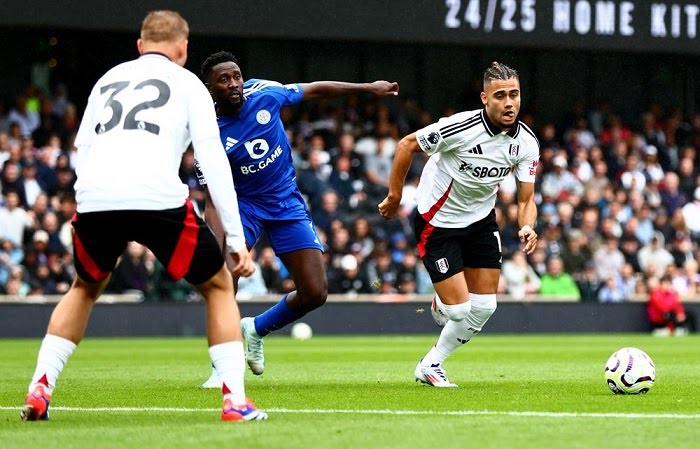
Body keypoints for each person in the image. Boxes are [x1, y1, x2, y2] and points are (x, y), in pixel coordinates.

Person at [20, 11, 266, 422]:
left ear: (140, 45)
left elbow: (83, 149)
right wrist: (237, 243)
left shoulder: (107, 80)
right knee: (220, 287)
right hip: (156, 196)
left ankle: (40, 387)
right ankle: (235, 401)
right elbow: (213, 162)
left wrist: (89, 202)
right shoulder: (189, 83)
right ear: (183, 49)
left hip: (97, 197)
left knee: (83, 288)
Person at [198, 51, 399, 387]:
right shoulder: (206, 132)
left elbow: (316, 89)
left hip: (286, 202)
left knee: (315, 292)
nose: (234, 84)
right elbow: (214, 201)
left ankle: (255, 328)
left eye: (236, 76)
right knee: (225, 280)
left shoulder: (265, 94)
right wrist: (228, 243)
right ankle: (222, 366)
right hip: (243, 205)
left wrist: (368, 88)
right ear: (210, 88)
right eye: (224, 80)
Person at [378, 61, 539, 387]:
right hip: (437, 222)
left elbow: (525, 200)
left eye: (515, 95)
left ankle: (431, 364)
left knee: (485, 307)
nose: (509, 103)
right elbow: (407, 144)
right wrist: (395, 196)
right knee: (458, 311)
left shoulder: (526, 143)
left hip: (480, 222)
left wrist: (527, 225)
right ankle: (444, 302)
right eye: (501, 96)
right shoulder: (459, 128)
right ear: (484, 98)